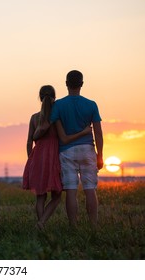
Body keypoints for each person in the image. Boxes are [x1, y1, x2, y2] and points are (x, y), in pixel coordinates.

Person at [22, 85, 91, 230]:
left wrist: (30, 159)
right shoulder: (57, 118)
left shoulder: (34, 118)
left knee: (40, 197)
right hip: (54, 158)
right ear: (55, 98)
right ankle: (41, 223)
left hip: (37, 159)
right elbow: (64, 138)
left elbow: (29, 141)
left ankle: (41, 225)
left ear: (40, 98)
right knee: (57, 196)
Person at [50, 70, 104, 228]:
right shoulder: (91, 104)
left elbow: (54, 131)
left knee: (71, 191)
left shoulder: (58, 105)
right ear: (82, 84)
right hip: (87, 149)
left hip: (67, 151)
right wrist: (100, 155)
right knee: (90, 189)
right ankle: (93, 225)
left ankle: (73, 226)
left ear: (66, 84)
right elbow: (99, 133)